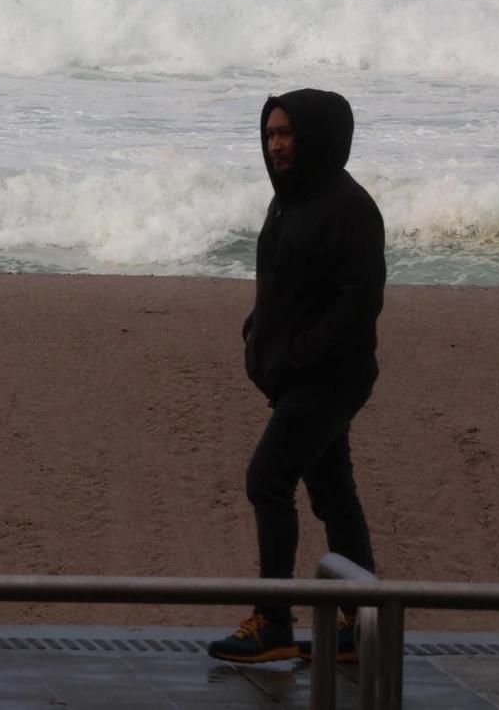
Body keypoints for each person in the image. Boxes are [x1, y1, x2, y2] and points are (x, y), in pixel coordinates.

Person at [208, 88, 386, 664]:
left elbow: (359, 301)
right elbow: (290, 277)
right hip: (300, 374)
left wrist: (297, 354)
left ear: (316, 136)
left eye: (286, 133)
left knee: (267, 480)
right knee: (334, 493)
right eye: (270, 134)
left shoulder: (349, 207)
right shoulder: (289, 197)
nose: (277, 144)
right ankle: (362, 627)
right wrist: (261, 323)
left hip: (328, 377)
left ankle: (275, 621)